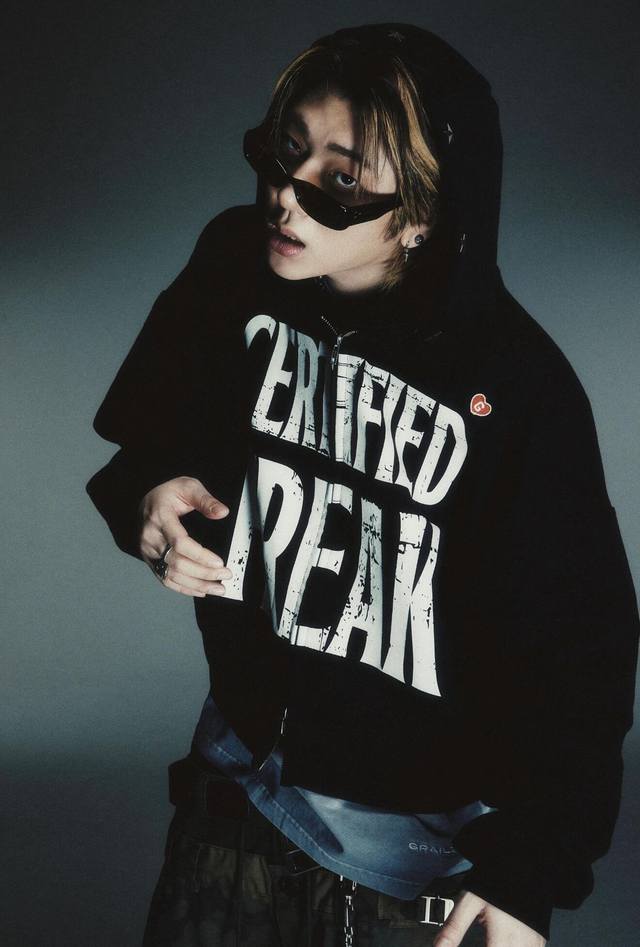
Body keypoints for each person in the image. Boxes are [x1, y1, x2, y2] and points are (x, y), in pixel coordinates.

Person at [86, 21, 639, 947]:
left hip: (411, 861)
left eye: (339, 182)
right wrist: (148, 503)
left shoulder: (517, 386)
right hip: (231, 799)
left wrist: (529, 870)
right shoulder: (232, 269)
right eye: (285, 151)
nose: (285, 196)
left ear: (421, 212)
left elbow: (584, 646)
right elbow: (145, 444)